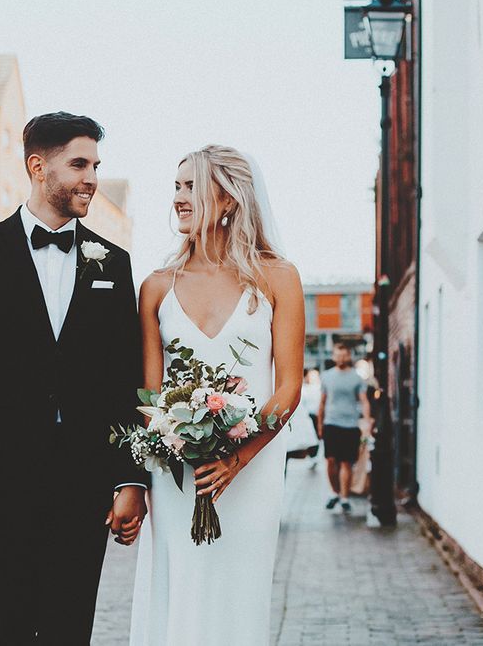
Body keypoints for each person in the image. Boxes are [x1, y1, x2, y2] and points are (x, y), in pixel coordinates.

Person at [0, 112, 149, 645]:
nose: (92, 178)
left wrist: (130, 478)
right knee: (9, 623)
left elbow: (126, 377)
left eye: (97, 165)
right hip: (6, 476)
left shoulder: (114, 263)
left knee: (71, 624)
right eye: (79, 164)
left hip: (87, 478)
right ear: (38, 166)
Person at [129, 145, 305, 644]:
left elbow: (288, 384)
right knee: (178, 585)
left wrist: (236, 459)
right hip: (177, 473)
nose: (178, 198)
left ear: (228, 201)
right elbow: (148, 391)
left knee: (237, 592)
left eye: (191, 186)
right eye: (177, 186)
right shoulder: (156, 286)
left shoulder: (277, 277)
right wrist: (170, 440)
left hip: (252, 470)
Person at [317, 342, 372, 514]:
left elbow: (364, 400)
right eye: (337, 354)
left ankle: (344, 498)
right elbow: (322, 402)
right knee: (331, 461)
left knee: (346, 462)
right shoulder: (326, 376)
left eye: (344, 354)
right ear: (333, 356)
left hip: (350, 424)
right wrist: (320, 425)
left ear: (349, 356)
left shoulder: (357, 378)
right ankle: (334, 492)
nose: (340, 358)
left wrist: (368, 421)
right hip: (331, 423)